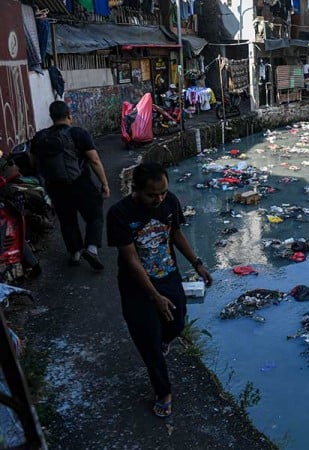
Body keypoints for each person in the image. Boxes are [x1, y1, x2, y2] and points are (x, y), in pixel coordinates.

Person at [106, 162, 212, 418]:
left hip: (169, 276)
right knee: (148, 344)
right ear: (136, 190)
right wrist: (155, 297)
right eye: (153, 194)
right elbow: (131, 259)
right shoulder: (120, 214)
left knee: (177, 323)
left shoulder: (170, 202)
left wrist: (197, 264)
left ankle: (164, 339)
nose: (160, 198)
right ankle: (163, 392)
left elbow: (175, 234)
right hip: (137, 287)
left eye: (163, 192)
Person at [29, 100, 109, 270]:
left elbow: (33, 162)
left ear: (51, 117)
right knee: (94, 215)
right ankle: (92, 249)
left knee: (67, 220)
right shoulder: (78, 133)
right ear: (69, 115)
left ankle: (75, 253)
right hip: (80, 183)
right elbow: (94, 160)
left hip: (55, 186)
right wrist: (104, 183)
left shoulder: (40, 137)